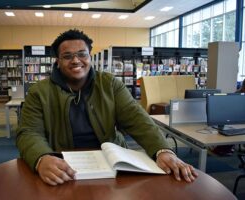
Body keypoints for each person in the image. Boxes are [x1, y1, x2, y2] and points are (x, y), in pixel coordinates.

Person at [16, 29, 198, 186]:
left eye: (82, 54)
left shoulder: (110, 84)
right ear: (57, 61)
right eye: (67, 56)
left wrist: (162, 150)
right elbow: (29, 132)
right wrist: (42, 158)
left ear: (89, 56)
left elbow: (138, 120)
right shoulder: (39, 91)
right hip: (64, 160)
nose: (76, 60)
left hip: (112, 160)